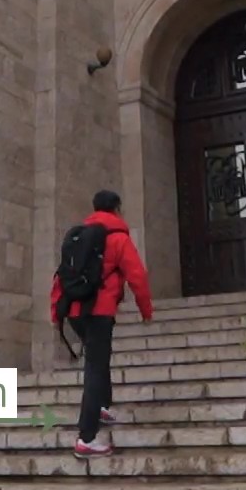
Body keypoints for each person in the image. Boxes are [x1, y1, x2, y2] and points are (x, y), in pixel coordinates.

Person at [49, 189, 153, 458]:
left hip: (75, 312)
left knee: (99, 357)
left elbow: (61, 276)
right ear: (116, 209)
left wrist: (56, 314)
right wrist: (146, 311)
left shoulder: (79, 237)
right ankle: (86, 438)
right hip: (99, 311)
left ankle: (102, 406)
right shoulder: (118, 238)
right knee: (95, 367)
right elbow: (137, 276)